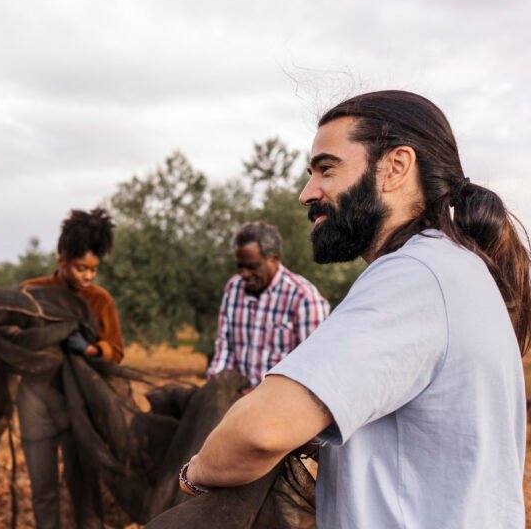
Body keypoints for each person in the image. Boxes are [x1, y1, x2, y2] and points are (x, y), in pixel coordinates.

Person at [179, 91, 529, 528]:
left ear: (396, 167)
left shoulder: (416, 276)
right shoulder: (453, 268)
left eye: (327, 169)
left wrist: (192, 476)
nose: (308, 193)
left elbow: (260, 431)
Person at [19, 208, 124, 529]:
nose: (88, 277)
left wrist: (92, 349)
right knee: (44, 489)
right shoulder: (31, 292)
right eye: (81, 268)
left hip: (81, 405)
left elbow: (116, 351)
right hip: (36, 402)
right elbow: (14, 338)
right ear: (62, 258)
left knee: (84, 487)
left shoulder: (100, 300)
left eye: (94, 269)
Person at [207, 221, 329, 388]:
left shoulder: (303, 298)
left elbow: (314, 367)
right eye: (240, 266)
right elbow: (224, 347)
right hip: (236, 399)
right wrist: (216, 386)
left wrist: (260, 396)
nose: (244, 274)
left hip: (281, 403)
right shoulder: (233, 289)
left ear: (274, 259)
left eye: (252, 267)